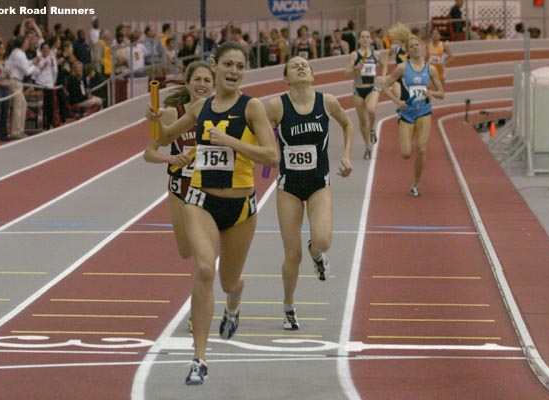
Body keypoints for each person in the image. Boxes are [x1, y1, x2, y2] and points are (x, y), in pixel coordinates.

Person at [147, 42, 278, 385]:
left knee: (228, 280)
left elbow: (271, 155)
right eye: (228, 64)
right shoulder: (200, 107)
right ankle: (199, 359)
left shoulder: (253, 109)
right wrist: (157, 121)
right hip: (200, 199)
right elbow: (163, 139)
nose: (234, 71)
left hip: (240, 207)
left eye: (240, 66)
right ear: (216, 67)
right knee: (204, 267)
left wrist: (230, 142)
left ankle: (234, 301)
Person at [265, 56, 353, 330]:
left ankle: (317, 255)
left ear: (313, 75)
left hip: (318, 183)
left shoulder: (326, 102)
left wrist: (347, 156)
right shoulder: (276, 106)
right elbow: (254, 129)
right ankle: (289, 307)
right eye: (294, 65)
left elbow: (347, 124)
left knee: (323, 240)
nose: (301, 66)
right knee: (292, 255)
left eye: (305, 64)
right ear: (286, 79)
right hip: (288, 187)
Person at [143, 60, 214, 259]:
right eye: (197, 79)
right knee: (186, 252)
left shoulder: (220, 113)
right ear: (188, 83)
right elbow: (149, 153)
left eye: (207, 80)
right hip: (180, 186)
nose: (202, 84)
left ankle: (206, 279)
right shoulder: (173, 114)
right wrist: (172, 158)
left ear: (214, 85)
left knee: (206, 248)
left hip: (210, 185)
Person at [382, 26, 444, 197]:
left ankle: (415, 183)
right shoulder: (402, 68)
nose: (416, 48)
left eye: (418, 45)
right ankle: (403, 126)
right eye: (412, 46)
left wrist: (431, 93)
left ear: (423, 47)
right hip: (407, 113)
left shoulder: (430, 69)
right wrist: (398, 101)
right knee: (406, 153)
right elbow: (385, 86)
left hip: (424, 111)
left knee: (422, 149)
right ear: (408, 51)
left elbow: (442, 93)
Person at [344, 29, 384, 159]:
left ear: (371, 40)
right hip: (358, 90)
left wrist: (383, 76)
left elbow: (383, 65)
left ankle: (372, 129)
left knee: (371, 109)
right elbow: (346, 73)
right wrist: (356, 68)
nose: (365, 39)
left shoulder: (376, 54)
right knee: (362, 121)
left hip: (372, 88)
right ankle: (368, 146)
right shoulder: (354, 55)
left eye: (368, 37)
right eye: (363, 37)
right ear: (359, 40)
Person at [6, 35, 39, 139]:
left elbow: (24, 65)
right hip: (15, 81)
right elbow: (27, 71)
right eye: (26, 42)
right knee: (18, 106)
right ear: (22, 43)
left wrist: (31, 62)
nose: (28, 43)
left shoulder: (19, 53)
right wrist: (35, 64)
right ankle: (15, 132)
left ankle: (19, 130)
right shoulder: (19, 54)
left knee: (22, 105)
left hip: (17, 81)